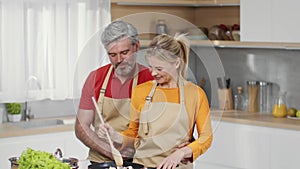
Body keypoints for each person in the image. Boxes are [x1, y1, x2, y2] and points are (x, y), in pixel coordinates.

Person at [98, 33, 213, 169]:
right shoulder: (141, 91)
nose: (153, 73)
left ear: (176, 63)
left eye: (159, 68)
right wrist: (115, 136)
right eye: (150, 67)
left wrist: (181, 153)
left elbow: (206, 137)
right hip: (142, 165)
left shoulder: (195, 94)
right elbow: (133, 135)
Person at [75, 20, 154, 164]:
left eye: (124, 53)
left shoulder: (152, 79)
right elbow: (81, 127)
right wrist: (109, 151)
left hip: (140, 162)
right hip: (101, 161)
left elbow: (161, 130)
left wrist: (134, 147)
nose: (119, 60)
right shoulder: (95, 78)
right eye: (112, 54)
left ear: (136, 47)